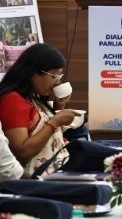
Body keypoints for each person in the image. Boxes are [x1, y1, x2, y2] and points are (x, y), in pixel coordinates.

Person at [0, 43, 78, 176]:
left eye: (59, 76)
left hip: (60, 169)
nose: (57, 82)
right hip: (39, 178)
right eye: (54, 76)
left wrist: (59, 106)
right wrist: (55, 122)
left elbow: (49, 138)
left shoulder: (33, 97)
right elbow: (21, 154)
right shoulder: (12, 100)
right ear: (32, 74)